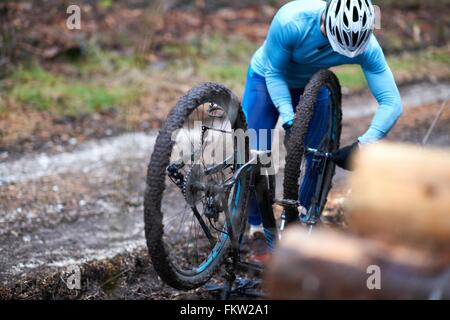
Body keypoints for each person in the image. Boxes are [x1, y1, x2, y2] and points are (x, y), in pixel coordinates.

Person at [242, 0, 403, 262]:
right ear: (326, 21)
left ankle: (303, 220)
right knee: (255, 154)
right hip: (267, 78)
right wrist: (288, 118)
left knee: (318, 155)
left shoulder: (367, 46)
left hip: (312, 88)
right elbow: (274, 71)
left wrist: (366, 143)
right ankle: (256, 228)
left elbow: (392, 102)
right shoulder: (291, 21)